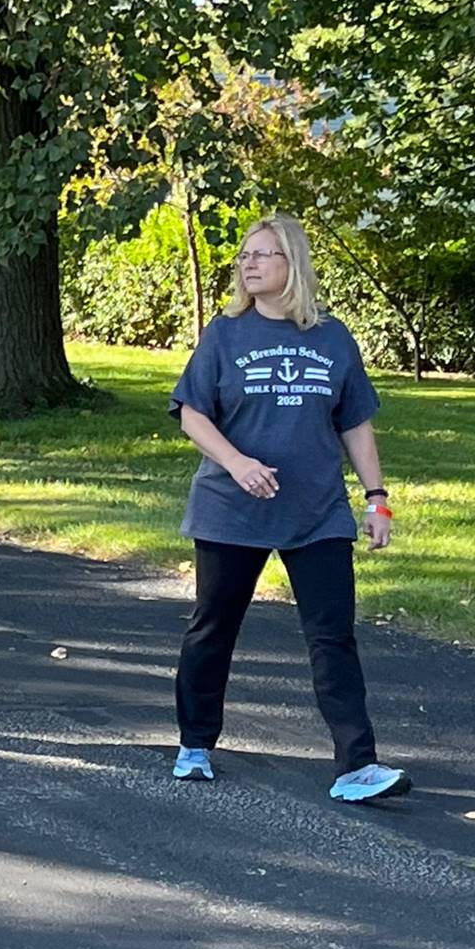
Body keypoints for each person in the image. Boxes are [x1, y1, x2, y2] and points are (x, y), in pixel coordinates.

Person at [167, 214, 409, 803]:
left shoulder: (332, 338)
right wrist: (237, 462)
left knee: (333, 636)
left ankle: (358, 766)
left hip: (317, 512)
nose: (249, 264)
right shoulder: (225, 334)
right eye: (245, 255)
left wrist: (378, 500)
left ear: (292, 264)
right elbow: (192, 412)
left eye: (264, 254)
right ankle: (196, 744)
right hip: (232, 509)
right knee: (213, 627)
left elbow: (356, 424)